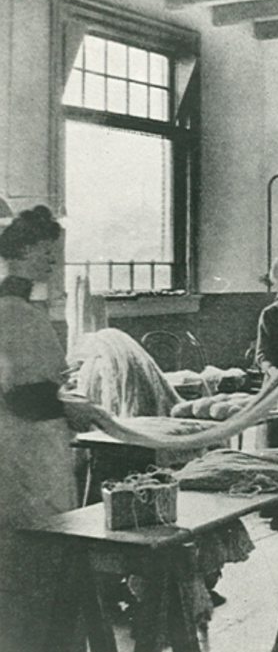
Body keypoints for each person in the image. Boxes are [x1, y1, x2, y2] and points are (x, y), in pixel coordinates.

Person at [0, 205, 112, 651]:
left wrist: (64, 403)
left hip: (29, 448)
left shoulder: (21, 309)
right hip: (24, 452)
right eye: (45, 251)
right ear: (22, 251)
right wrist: (71, 411)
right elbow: (23, 397)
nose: (52, 260)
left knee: (32, 552)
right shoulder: (14, 313)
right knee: (36, 550)